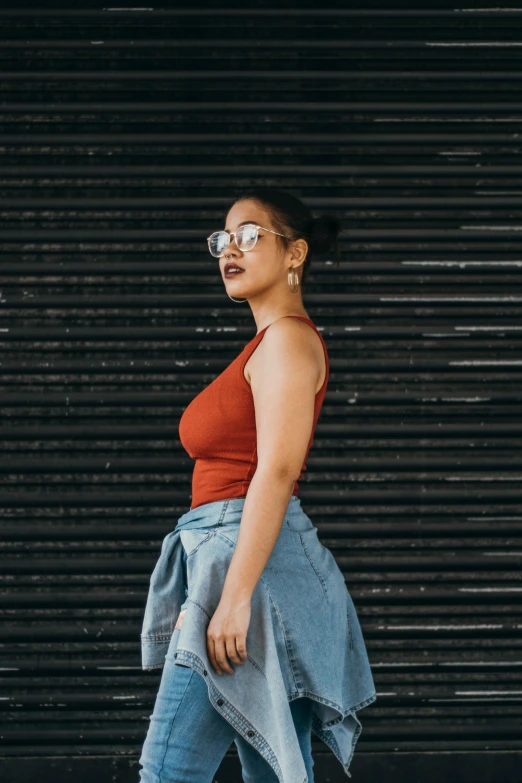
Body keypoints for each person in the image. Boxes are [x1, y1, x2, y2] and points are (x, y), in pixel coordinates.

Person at [138, 188, 377, 783]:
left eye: (249, 235)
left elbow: (275, 470)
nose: (229, 250)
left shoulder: (289, 342)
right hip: (240, 560)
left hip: (250, 568)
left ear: (294, 254)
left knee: (168, 769)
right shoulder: (267, 346)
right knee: (271, 770)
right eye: (222, 239)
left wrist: (235, 596)